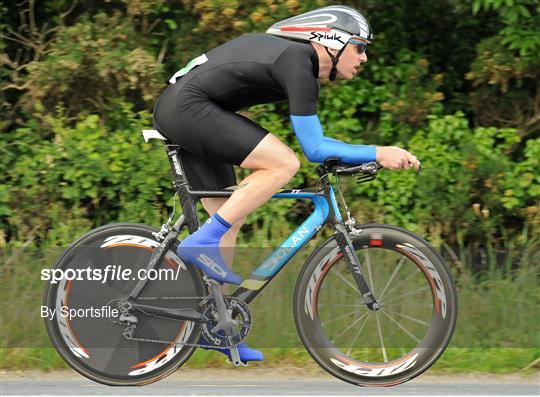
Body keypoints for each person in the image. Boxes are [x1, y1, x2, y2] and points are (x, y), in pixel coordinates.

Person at [152, 5, 421, 364]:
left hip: (188, 108)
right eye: (359, 46)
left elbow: (319, 143)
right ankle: (201, 241)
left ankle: (218, 328)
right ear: (331, 40)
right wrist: (379, 151)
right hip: (188, 108)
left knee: (231, 217)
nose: (364, 57)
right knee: (284, 163)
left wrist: (365, 154)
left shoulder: (297, 62)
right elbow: (314, 149)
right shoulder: (297, 58)